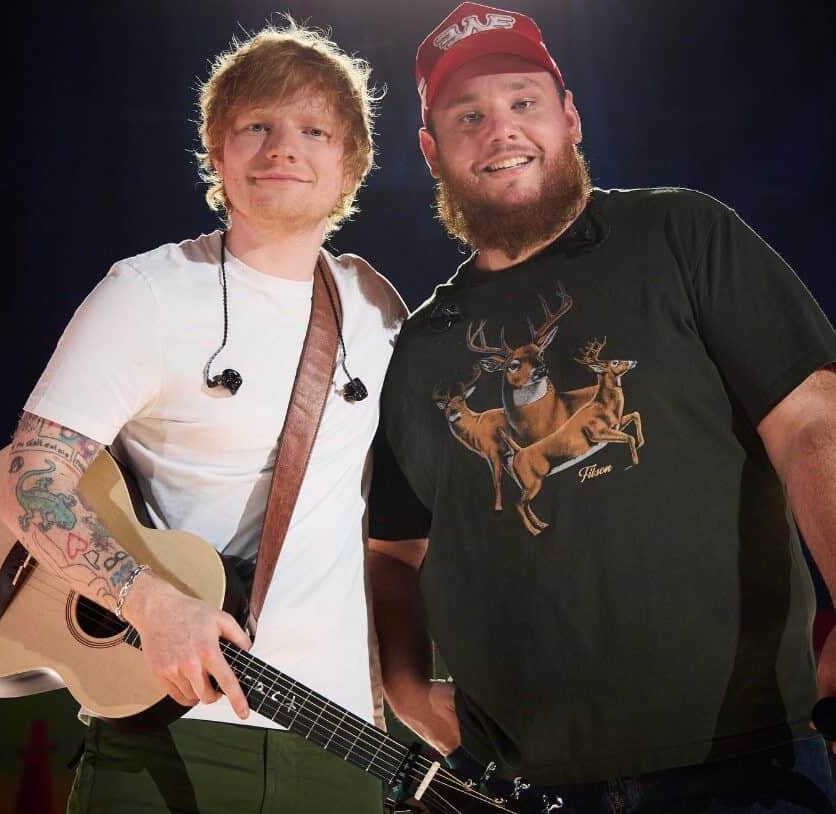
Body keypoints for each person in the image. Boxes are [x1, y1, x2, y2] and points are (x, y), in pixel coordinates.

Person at [368, 3, 836, 811]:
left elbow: (811, 423)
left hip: (744, 760)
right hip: (525, 786)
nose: (501, 130)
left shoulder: (683, 233)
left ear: (570, 116)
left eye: (524, 102)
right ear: (431, 151)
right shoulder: (421, 348)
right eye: (468, 116)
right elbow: (391, 554)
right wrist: (408, 692)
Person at [0, 18, 406, 814]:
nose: (282, 147)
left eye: (313, 129)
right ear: (218, 153)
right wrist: (149, 601)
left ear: (350, 163)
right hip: (169, 727)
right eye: (255, 126)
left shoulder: (376, 305)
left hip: (343, 744)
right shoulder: (147, 292)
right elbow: (29, 477)